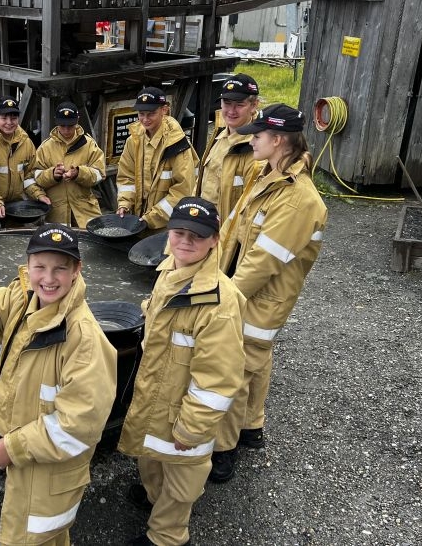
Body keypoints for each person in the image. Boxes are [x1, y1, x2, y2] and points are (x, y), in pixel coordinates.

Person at [0, 224, 118, 546]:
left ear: (76, 271)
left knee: (26, 538)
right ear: (28, 266)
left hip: (48, 468)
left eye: (60, 268)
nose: (49, 278)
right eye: (40, 267)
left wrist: (12, 448)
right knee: (49, 537)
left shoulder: (84, 339)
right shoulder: (24, 295)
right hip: (31, 454)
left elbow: (81, 424)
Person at [209, 103, 327, 483]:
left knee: (234, 370)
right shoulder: (269, 175)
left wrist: (221, 297)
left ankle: (223, 452)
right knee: (255, 362)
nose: (251, 140)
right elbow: (234, 232)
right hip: (246, 291)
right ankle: (251, 428)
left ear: (278, 141)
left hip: (259, 300)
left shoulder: (299, 199)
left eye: (257, 135)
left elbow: (262, 263)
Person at [118, 197, 245, 546]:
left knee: (181, 476)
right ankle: (152, 496)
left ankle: (168, 536)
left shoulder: (220, 303)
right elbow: (163, 314)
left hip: (184, 411)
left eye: (197, 235)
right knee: (152, 455)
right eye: (178, 232)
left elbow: (217, 382)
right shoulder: (170, 270)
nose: (185, 241)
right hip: (158, 394)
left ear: (216, 240)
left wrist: (192, 430)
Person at [116, 87, 199, 232]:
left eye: (151, 114)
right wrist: (124, 204)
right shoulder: (133, 141)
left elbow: (183, 191)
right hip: (140, 222)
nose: (145, 119)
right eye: (141, 114)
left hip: (167, 228)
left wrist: (151, 218)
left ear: (164, 110)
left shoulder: (177, 145)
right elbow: (126, 178)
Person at [197, 73, 261, 223]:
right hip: (204, 227)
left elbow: (250, 209)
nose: (231, 111)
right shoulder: (220, 133)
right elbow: (203, 182)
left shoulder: (257, 147)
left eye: (239, 105)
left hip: (226, 235)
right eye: (227, 103)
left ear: (254, 105)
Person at [33, 101, 106, 227]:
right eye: (62, 125)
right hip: (56, 214)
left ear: (77, 121)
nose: (66, 130)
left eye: (70, 125)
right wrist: (52, 175)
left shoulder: (89, 144)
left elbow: (99, 174)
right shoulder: (45, 147)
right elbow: (35, 176)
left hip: (85, 213)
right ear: (56, 122)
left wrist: (79, 173)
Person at [0, 97, 50, 209]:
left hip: (17, 209)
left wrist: (38, 195)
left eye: (13, 118)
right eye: (4, 118)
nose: (9, 123)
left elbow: (29, 177)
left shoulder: (27, 143)